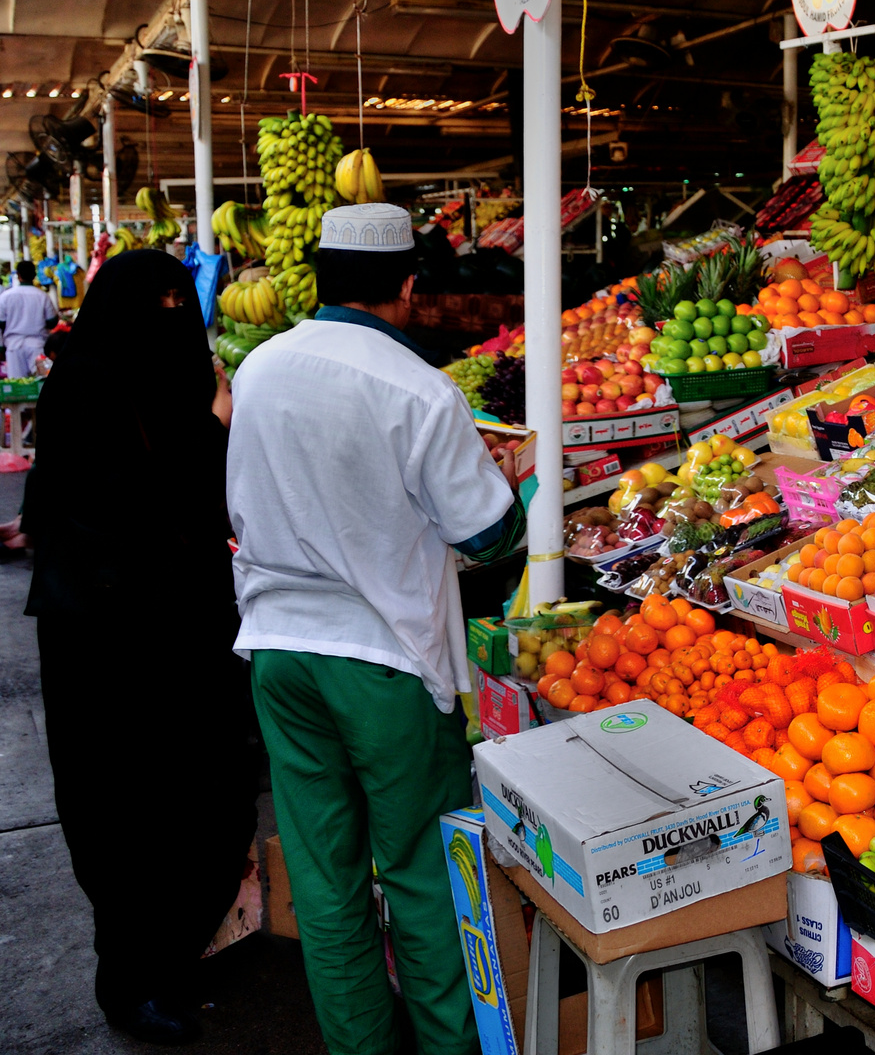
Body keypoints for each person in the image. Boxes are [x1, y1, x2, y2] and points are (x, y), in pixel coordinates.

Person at [226, 203, 523, 1055]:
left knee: (325, 882)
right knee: (425, 875)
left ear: (319, 278)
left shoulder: (262, 369)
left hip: (279, 650)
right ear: (407, 285)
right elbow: (486, 534)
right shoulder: (418, 388)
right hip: (384, 661)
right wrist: (514, 480)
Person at [21, 249, 255, 1044]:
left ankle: (176, 950)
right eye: (150, 303)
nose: (169, 319)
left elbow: (209, 502)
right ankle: (131, 982)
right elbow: (119, 502)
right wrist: (210, 427)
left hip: (187, 632)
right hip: (102, 642)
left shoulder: (184, 382)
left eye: (175, 301)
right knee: (122, 810)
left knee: (208, 796)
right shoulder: (83, 385)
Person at [0, 260, 60, 379]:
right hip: (37, 345)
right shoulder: (42, 296)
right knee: (39, 382)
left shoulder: (6, 296)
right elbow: (52, 321)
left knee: (18, 384)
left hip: (13, 347)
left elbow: (1, 323)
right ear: (34, 275)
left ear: (18, 275)